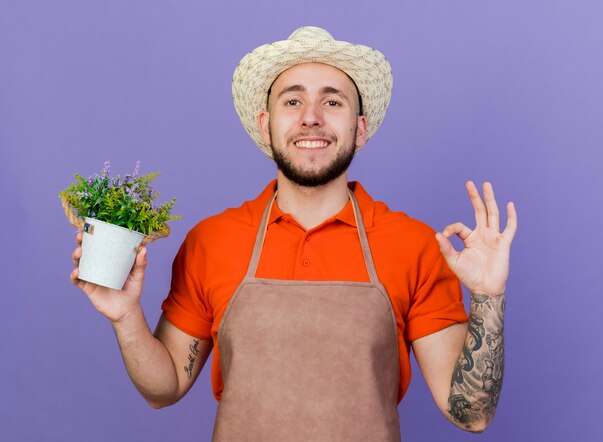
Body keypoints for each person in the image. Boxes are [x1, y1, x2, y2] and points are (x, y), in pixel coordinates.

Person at [70, 26, 517, 440]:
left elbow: (470, 413)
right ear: (266, 126)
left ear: (359, 129)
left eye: (333, 101)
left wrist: (488, 298)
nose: (311, 118)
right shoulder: (212, 241)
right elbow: (162, 389)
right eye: (292, 101)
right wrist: (127, 317)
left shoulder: (414, 244)